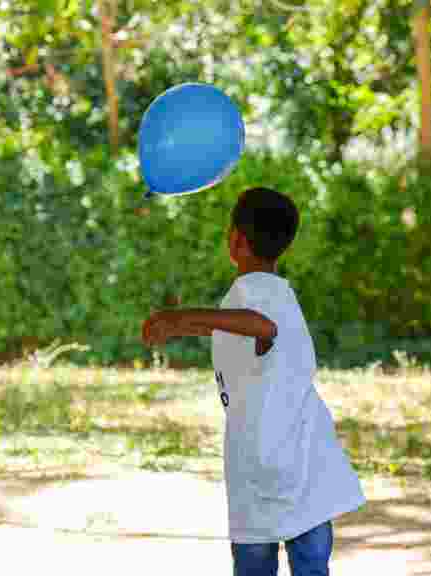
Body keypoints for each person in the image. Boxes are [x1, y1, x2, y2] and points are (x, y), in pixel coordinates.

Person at [142, 186, 366, 576]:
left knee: (276, 565)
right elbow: (249, 335)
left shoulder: (260, 293)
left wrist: (181, 318)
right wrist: (184, 325)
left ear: (236, 240)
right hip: (273, 460)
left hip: (292, 463)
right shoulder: (263, 292)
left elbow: (263, 327)